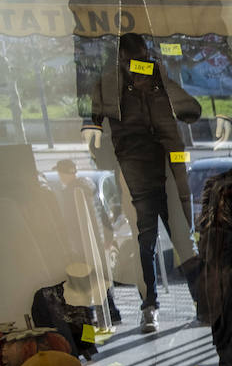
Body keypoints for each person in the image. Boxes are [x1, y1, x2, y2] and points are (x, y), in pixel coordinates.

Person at [84, 33, 202, 333]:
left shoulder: (156, 76)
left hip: (166, 170)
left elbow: (189, 108)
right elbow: (93, 126)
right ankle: (151, 307)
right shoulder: (109, 85)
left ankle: (201, 303)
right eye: (136, 59)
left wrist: (159, 84)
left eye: (144, 58)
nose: (141, 64)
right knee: (145, 244)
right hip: (135, 174)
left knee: (180, 240)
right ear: (123, 59)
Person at [53, 159, 120, 325]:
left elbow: (71, 223)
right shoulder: (89, 186)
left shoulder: (71, 192)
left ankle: (93, 320)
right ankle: (112, 313)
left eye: (60, 173)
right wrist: (108, 237)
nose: (60, 177)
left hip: (83, 244)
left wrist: (71, 246)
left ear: (63, 173)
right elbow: (103, 213)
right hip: (98, 241)